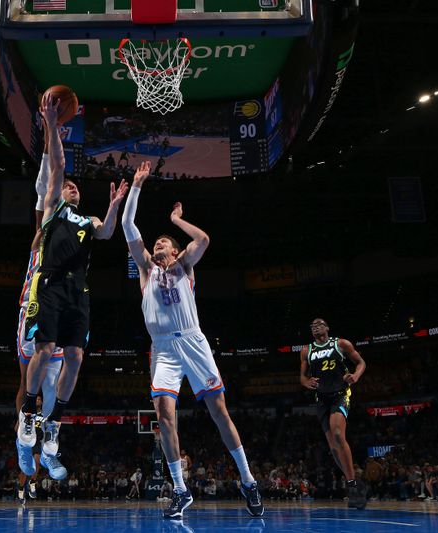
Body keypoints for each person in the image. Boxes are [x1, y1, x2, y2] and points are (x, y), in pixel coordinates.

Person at [121, 161, 263, 520]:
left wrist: (176, 222)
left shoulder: (185, 265)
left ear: (174, 250)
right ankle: (181, 491)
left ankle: (248, 480)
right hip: (163, 350)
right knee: (164, 416)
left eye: (163, 242)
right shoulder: (145, 270)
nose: (158, 244)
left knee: (219, 411)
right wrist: (136, 186)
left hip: (193, 343)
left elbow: (203, 240)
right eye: (155, 242)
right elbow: (126, 225)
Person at [17, 92, 128, 479]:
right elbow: (59, 163)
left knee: (76, 356)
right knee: (44, 348)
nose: (73, 187)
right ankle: (28, 411)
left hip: (77, 291)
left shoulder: (87, 220)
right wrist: (51, 123)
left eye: (76, 187)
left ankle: (55, 422)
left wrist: (114, 206)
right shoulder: (51, 207)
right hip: (48, 283)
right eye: (69, 186)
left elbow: (109, 232)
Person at [15, 113, 64, 482]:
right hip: (34, 307)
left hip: (62, 310)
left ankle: (48, 440)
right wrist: (50, 129)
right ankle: (23, 434)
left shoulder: (79, 229)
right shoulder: (45, 226)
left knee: (53, 387)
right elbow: (47, 178)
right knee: (27, 383)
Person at [300, 318, 367, 509]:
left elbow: (361, 363)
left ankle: (353, 485)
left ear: (327, 328)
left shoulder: (341, 344)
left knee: (338, 434)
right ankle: (353, 482)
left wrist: (355, 376)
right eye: (312, 326)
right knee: (333, 447)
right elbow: (302, 377)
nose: (315, 326)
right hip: (321, 399)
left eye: (319, 324)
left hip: (340, 393)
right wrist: (306, 383)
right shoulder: (306, 350)